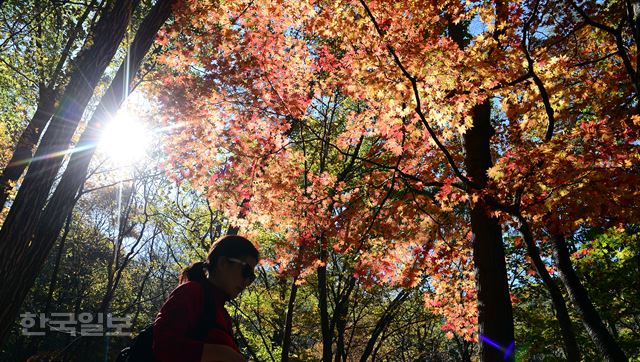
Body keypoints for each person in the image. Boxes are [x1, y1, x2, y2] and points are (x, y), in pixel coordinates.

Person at [152, 235, 259, 362]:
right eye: (246, 271)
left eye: (251, 277)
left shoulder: (223, 315)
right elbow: (163, 345)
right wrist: (224, 354)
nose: (247, 281)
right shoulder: (191, 292)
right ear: (222, 263)